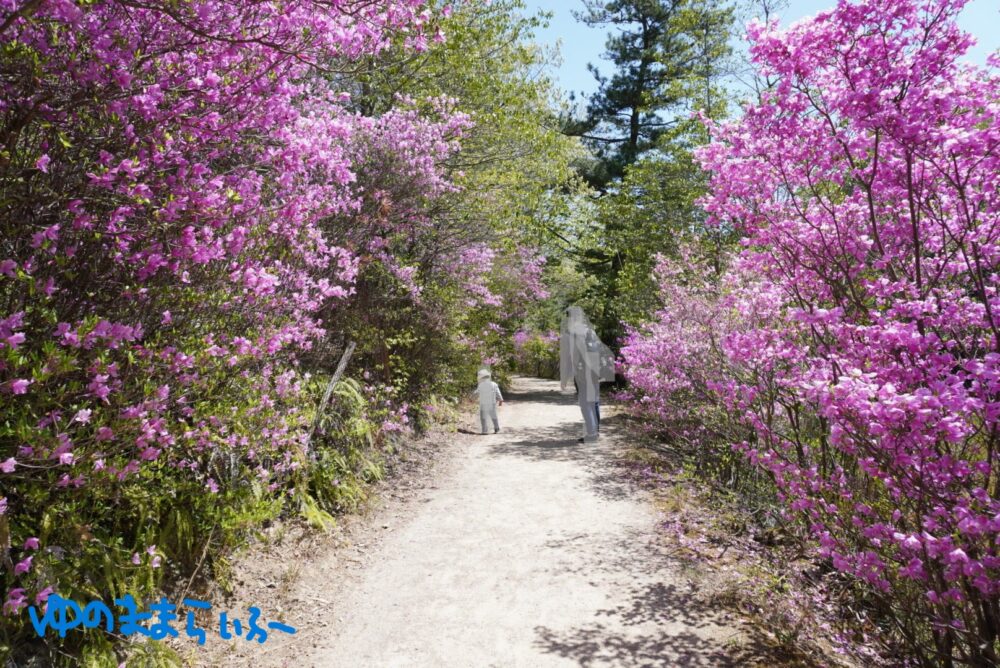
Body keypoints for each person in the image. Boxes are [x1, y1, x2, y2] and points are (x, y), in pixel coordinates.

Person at [560, 307, 612, 442]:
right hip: (595, 371)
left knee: (585, 404)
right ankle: (595, 431)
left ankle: (591, 435)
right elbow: (600, 350)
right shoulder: (590, 331)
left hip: (582, 373)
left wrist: (564, 378)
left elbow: (566, 358)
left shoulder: (569, 334)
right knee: (594, 401)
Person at [475, 368, 503, 435]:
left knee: (483, 417)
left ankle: (485, 430)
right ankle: (497, 428)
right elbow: (497, 392)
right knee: (493, 416)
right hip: (492, 403)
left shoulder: (481, 385)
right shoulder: (494, 384)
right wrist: (500, 400)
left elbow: (476, 393)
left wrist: (471, 398)